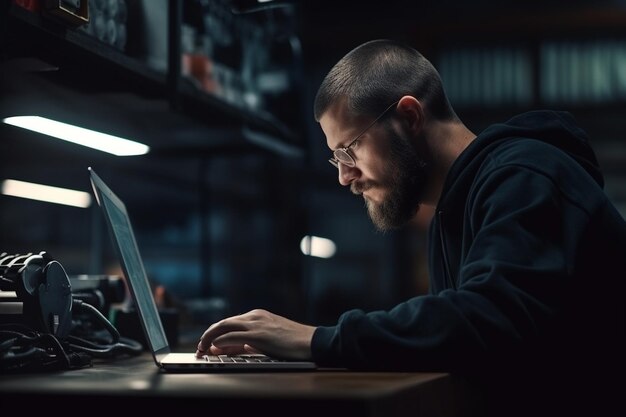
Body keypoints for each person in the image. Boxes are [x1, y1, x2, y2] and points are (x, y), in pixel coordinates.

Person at [197, 39, 625, 415]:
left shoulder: (526, 176)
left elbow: (488, 320)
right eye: (337, 158)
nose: (345, 176)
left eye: (349, 150)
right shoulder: (452, 209)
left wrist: (316, 340)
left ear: (409, 115)